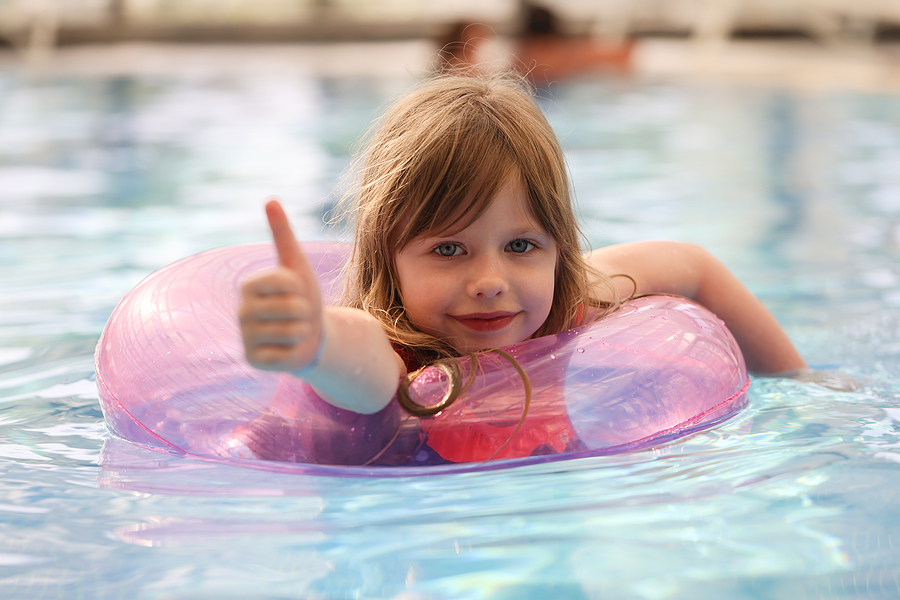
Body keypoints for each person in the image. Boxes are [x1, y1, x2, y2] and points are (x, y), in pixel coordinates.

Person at [238, 73, 807, 421]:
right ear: (389, 257)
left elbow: (694, 267)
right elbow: (364, 371)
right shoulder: (398, 353)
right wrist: (317, 344)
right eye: (448, 250)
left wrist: (800, 385)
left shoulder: (573, 297)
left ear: (559, 247)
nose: (490, 279)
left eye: (520, 244)